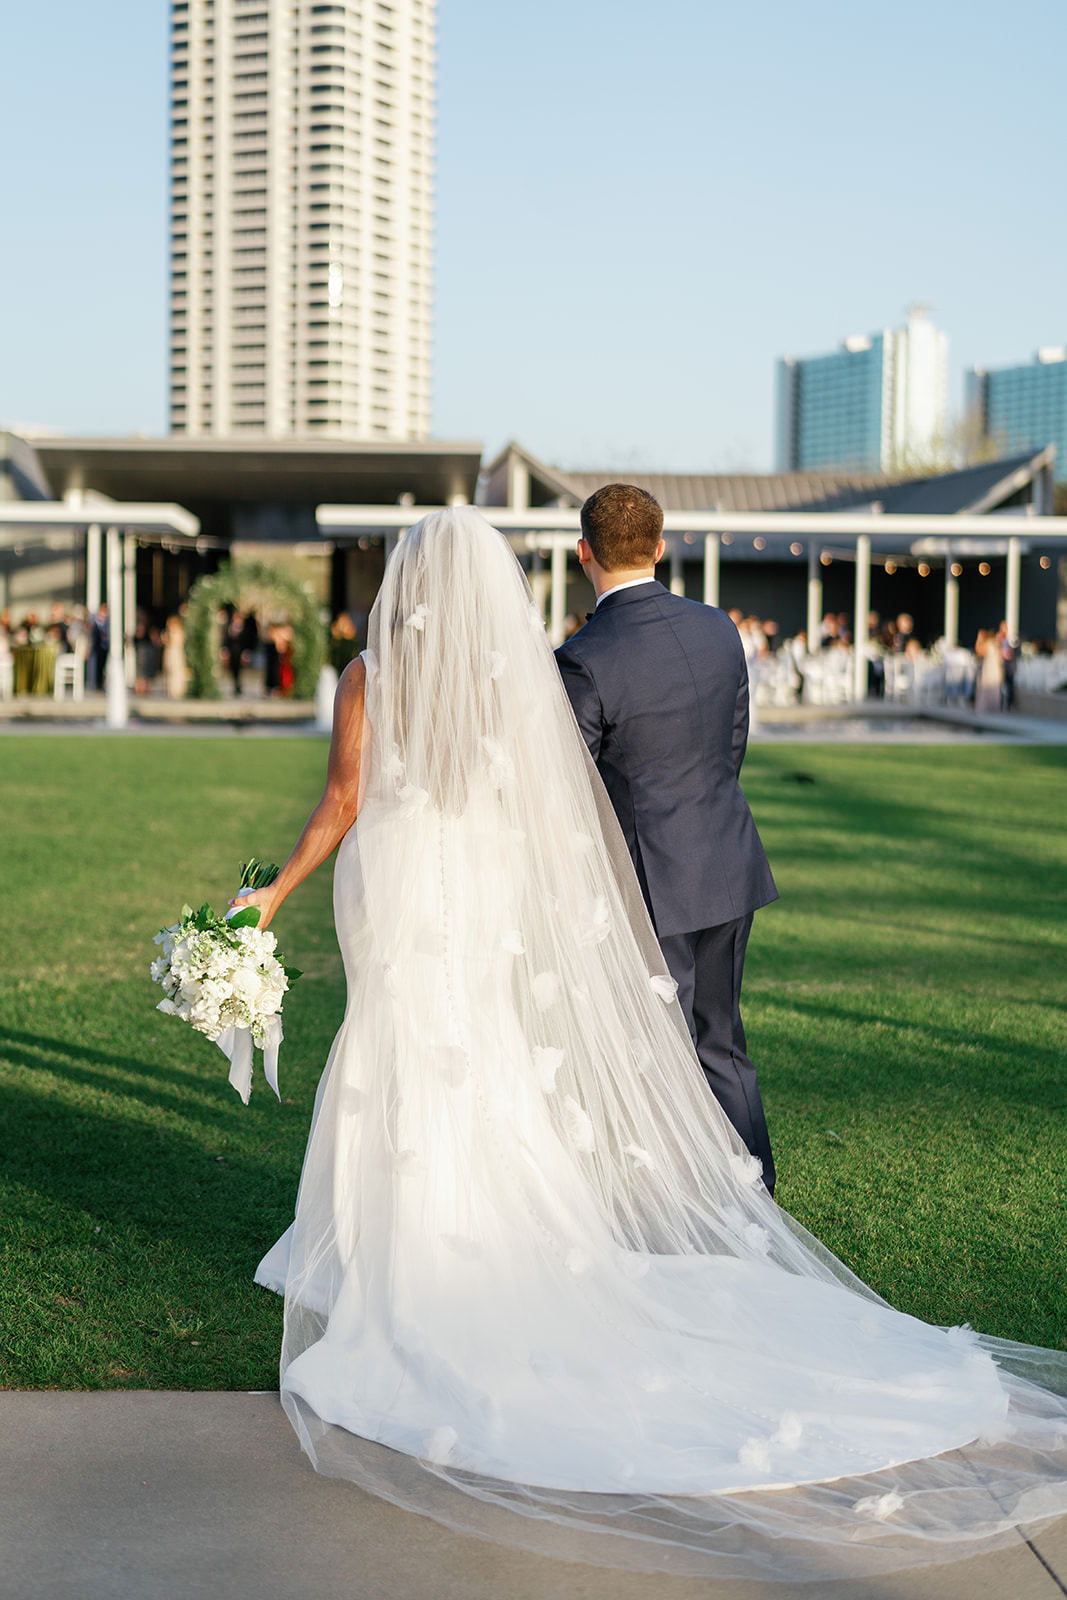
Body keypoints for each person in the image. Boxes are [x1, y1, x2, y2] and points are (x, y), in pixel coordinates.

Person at [225, 507, 1067, 1583]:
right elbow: (555, 795)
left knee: (400, 1048)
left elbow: (343, 801)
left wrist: (269, 896)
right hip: (501, 880)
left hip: (403, 876)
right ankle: (522, 1232)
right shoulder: (519, 669)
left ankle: (415, 1261)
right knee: (483, 1049)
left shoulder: (371, 676)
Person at [555, 485, 777, 1191]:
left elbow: (570, 788)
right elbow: (732, 744)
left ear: (582, 552)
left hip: (650, 883)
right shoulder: (718, 627)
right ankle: (754, 1195)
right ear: (658, 545)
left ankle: (681, 1208)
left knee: (654, 1055)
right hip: (726, 860)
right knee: (723, 1046)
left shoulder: (583, 657)